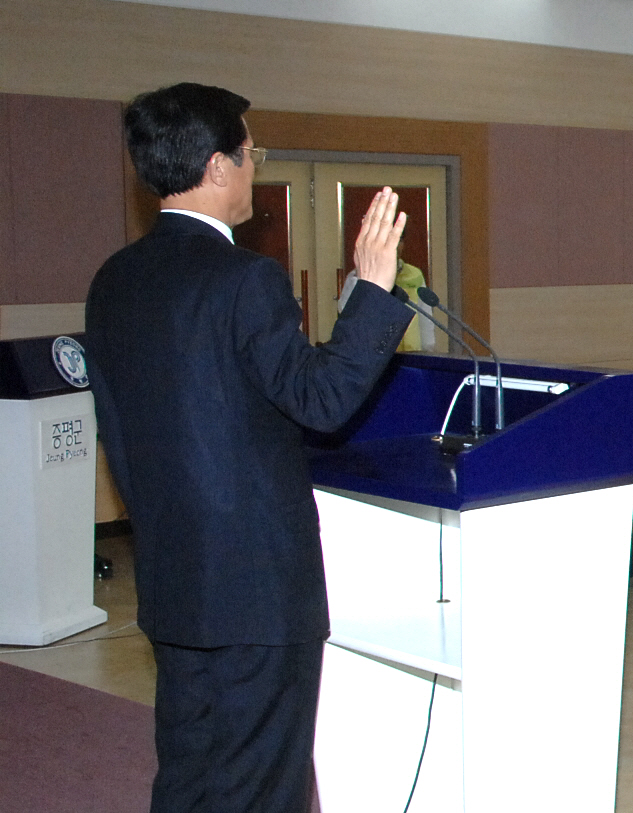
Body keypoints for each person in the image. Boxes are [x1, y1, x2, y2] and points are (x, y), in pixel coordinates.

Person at [86, 82, 417, 813]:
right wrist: (372, 288)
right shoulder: (245, 279)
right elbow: (321, 402)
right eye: (249, 152)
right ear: (217, 166)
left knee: (190, 773)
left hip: (172, 577)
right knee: (263, 785)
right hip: (257, 588)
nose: (254, 167)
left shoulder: (113, 280)